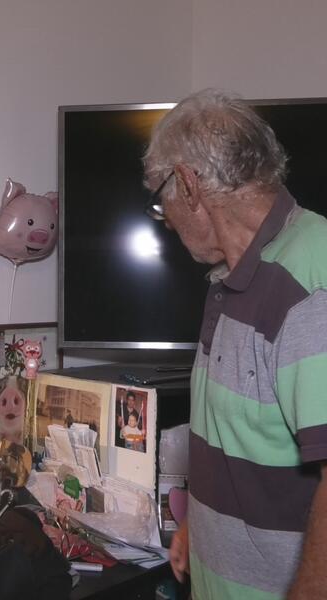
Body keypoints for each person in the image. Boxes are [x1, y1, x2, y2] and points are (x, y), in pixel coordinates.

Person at [143, 88, 327, 600]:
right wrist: (199, 526)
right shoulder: (231, 274)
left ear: (187, 184)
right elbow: (239, 437)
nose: (166, 218)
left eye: (161, 201)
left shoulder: (310, 288)